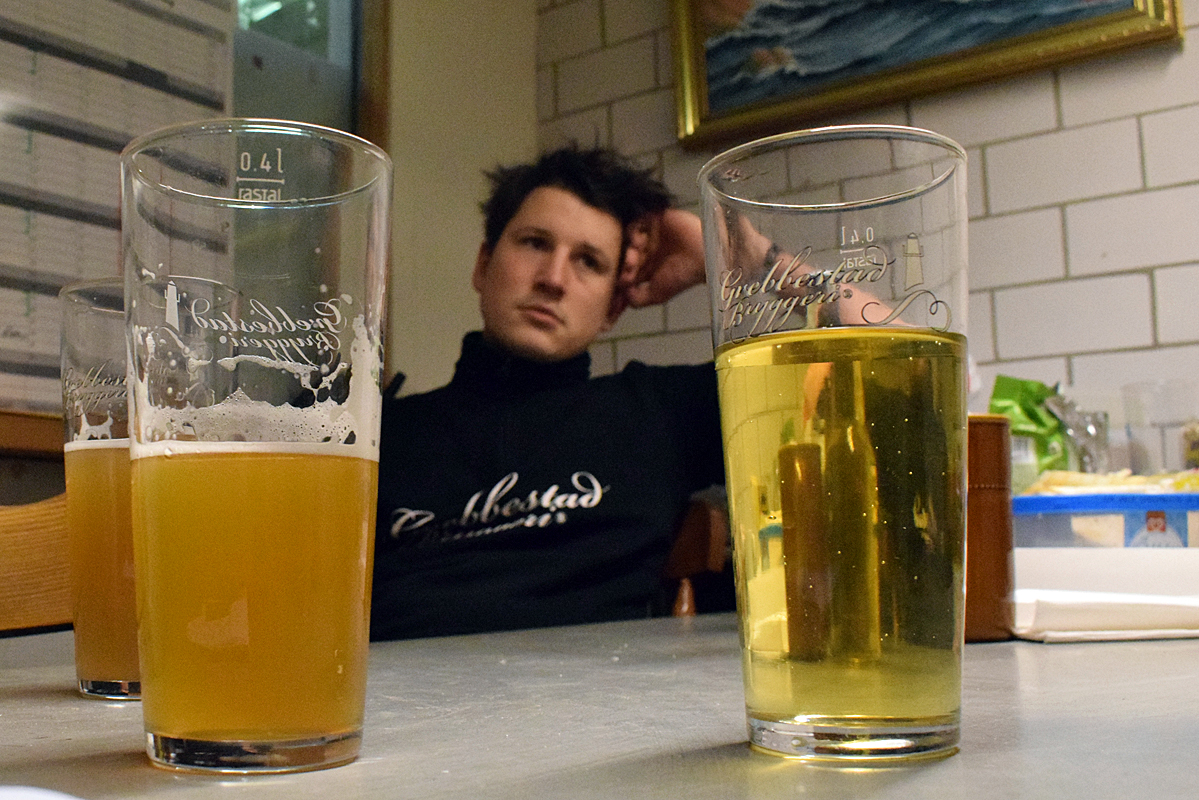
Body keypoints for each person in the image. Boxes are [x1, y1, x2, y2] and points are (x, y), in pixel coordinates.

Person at [369, 146, 732, 641]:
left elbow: (845, 381)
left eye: (588, 261)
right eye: (535, 243)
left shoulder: (660, 412)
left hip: (599, 687)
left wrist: (732, 255)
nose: (553, 279)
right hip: (393, 685)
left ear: (612, 309)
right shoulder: (376, 437)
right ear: (483, 265)